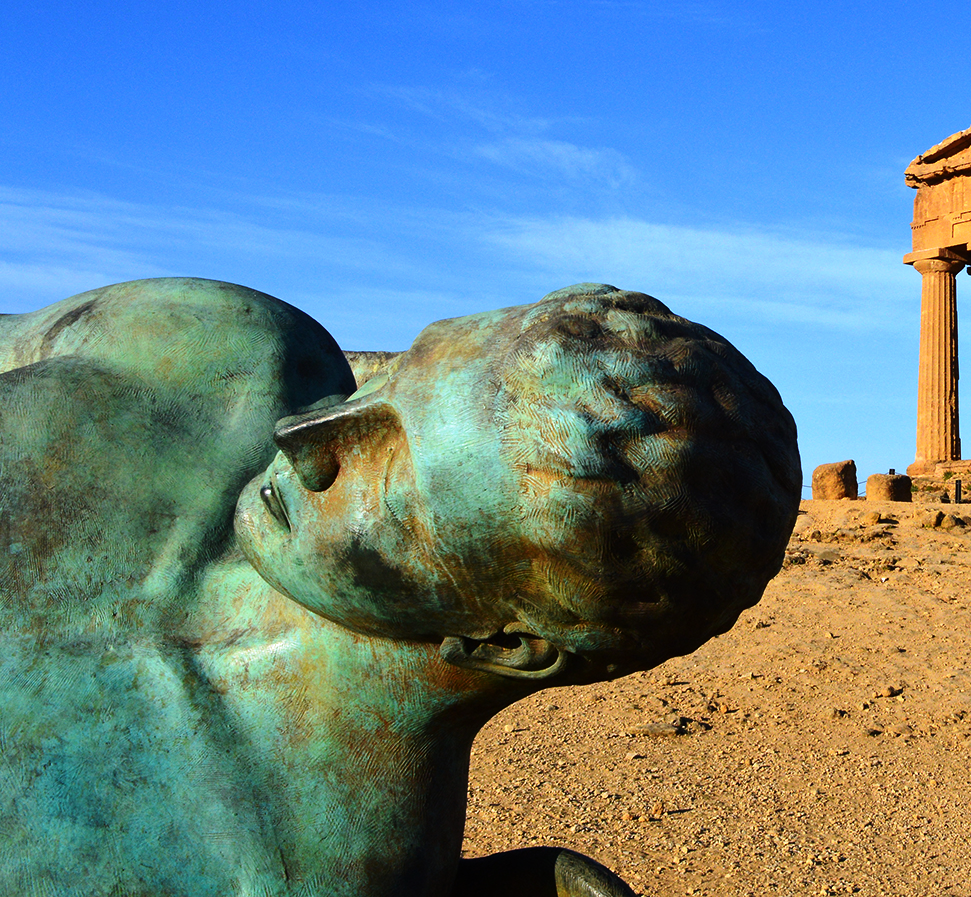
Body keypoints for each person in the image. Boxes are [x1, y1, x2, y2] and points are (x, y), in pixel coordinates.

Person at [0, 277, 801, 896]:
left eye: (391, 488)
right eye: (388, 379)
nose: (301, 437)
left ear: (506, 643)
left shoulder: (290, 871)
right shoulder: (229, 350)